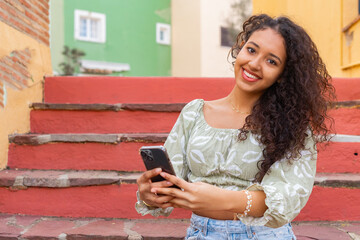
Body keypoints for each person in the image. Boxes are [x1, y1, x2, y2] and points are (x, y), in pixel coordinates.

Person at [136, 14, 335, 239]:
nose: (254, 64)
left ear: (282, 75)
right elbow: (171, 183)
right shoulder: (194, 113)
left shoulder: (292, 126)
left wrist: (218, 198)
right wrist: (150, 195)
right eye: (251, 50)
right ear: (240, 49)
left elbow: (285, 198)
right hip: (201, 233)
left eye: (272, 61)